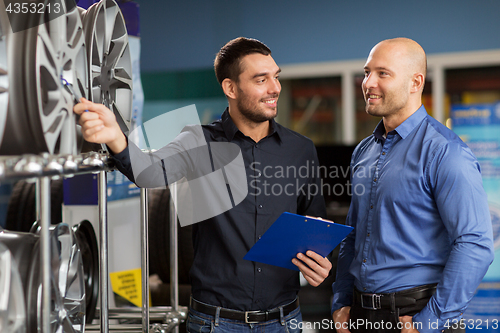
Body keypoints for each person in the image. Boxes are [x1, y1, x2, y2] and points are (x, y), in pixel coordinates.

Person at [74, 37, 332, 332]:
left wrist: (321, 262)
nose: (275, 88)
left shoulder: (300, 148)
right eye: (261, 80)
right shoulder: (198, 141)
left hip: (285, 321)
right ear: (230, 88)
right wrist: (115, 137)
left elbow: (316, 223)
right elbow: (150, 172)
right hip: (216, 323)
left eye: (276, 77)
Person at [331, 37, 494, 333]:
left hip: (415, 318)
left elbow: (474, 244)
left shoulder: (446, 152)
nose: (368, 83)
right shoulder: (363, 152)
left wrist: (427, 323)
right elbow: (352, 236)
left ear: (415, 82)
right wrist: (341, 301)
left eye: (383, 73)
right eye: (367, 72)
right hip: (361, 317)